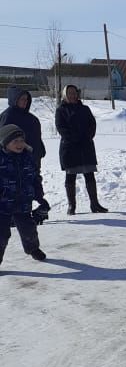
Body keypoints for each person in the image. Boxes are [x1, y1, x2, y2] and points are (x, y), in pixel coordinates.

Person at [54, 84, 107, 214]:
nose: (72, 95)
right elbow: (61, 127)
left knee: (89, 175)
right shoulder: (61, 110)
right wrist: (74, 138)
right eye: (70, 93)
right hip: (70, 147)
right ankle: (72, 206)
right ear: (65, 95)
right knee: (71, 176)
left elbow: (92, 124)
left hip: (86, 145)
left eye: (74, 92)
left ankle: (95, 204)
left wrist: (88, 136)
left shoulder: (85, 109)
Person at [0, 87, 50, 222]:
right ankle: (10, 215)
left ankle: (32, 210)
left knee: (32, 183)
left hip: (32, 158)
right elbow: (4, 139)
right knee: (13, 185)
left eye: (26, 99)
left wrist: (40, 149)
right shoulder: (8, 115)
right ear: (14, 100)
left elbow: (36, 136)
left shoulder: (31, 118)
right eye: (21, 99)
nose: (24, 102)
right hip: (13, 160)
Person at [0, 125, 47, 264]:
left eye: (21, 140)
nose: (19, 144)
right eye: (15, 141)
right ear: (4, 142)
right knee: (1, 235)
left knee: (29, 229)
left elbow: (34, 178)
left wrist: (40, 197)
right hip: (3, 204)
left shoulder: (27, 157)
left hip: (23, 202)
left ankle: (33, 249)